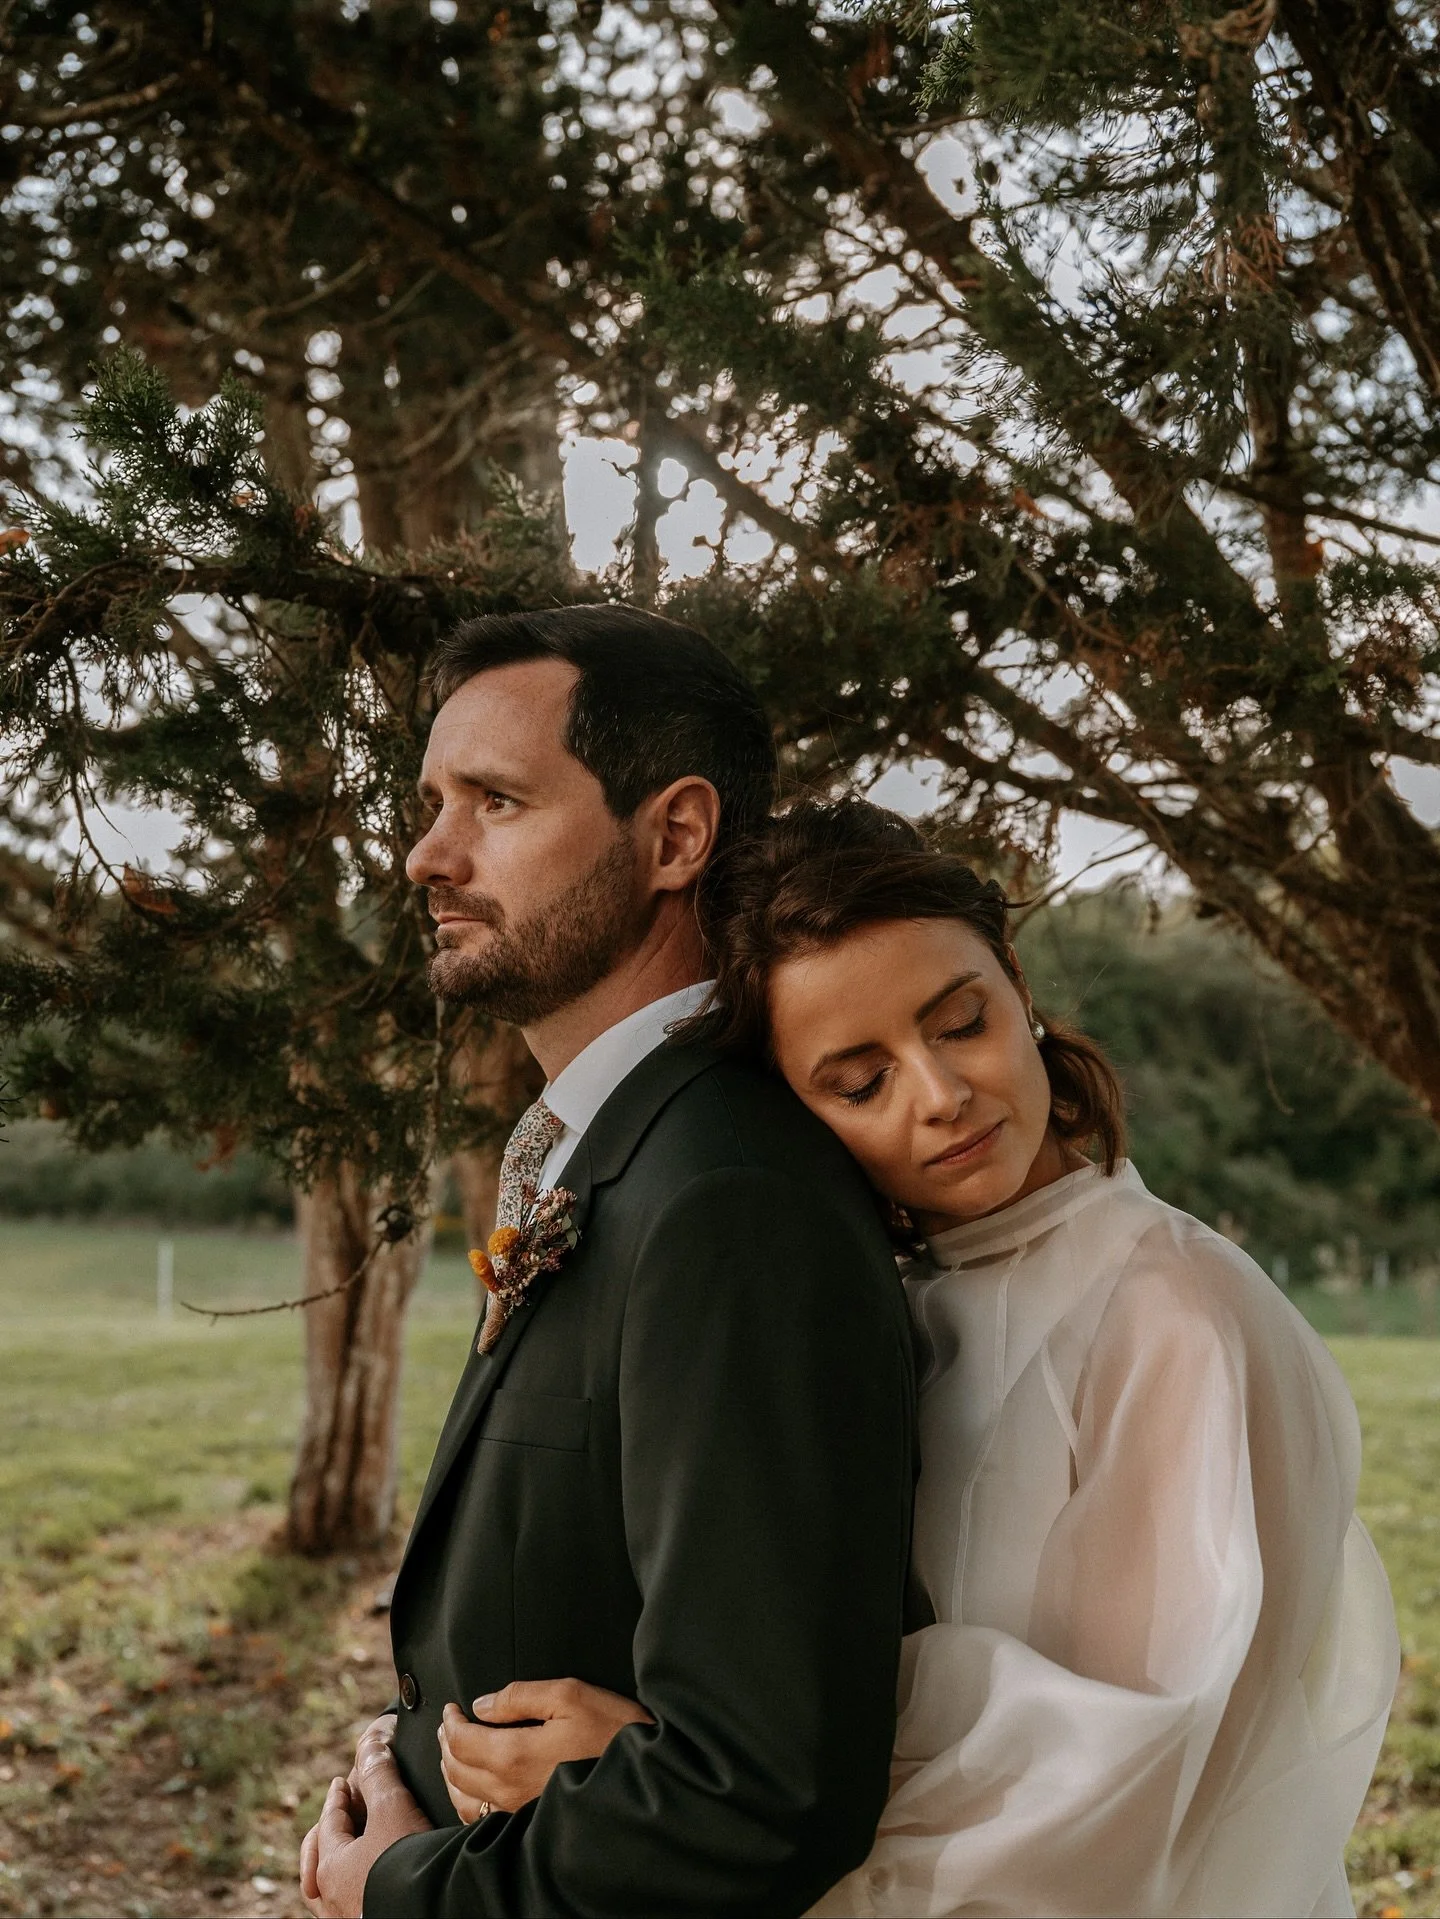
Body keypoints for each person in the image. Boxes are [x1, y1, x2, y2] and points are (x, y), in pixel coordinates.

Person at [434, 798, 1400, 1919]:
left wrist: (667, 1783)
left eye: (959, 1022)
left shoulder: (1175, 1316)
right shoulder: (891, 1295)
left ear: (1020, 991)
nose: (941, 1095)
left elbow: (1126, 1776)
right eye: (859, 1081)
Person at [298, 612, 920, 1919]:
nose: (427, 853)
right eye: (431, 803)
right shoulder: (607, 1151)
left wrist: (403, 1888)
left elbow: (756, 1788)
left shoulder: (730, 1192)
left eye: (496, 800)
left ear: (675, 836)